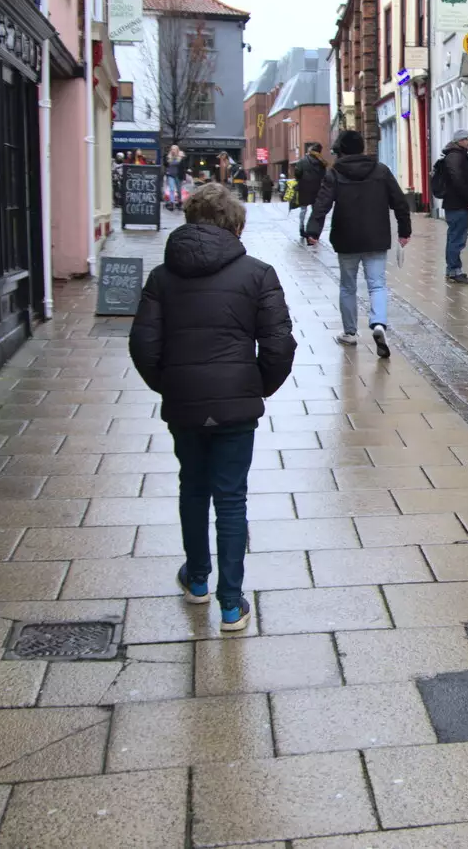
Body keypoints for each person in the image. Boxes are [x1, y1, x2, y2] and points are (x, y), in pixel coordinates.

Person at [128, 183, 296, 632]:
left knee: (193, 488)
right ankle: (230, 602)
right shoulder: (258, 274)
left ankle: (197, 580)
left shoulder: (163, 277)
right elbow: (279, 345)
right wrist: (255, 387)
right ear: (236, 224)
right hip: (236, 408)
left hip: (184, 403)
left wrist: (171, 385)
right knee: (231, 497)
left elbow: (143, 345)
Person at [305, 130, 411, 358]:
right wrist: (405, 230)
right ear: (362, 147)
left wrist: (313, 231)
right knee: (377, 284)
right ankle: (379, 323)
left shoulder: (335, 172)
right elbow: (400, 202)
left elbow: (322, 203)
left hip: (346, 238)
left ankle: (350, 333)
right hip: (376, 237)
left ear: (342, 149)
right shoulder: (381, 170)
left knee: (348, 286)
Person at [434, 129, 468, 284]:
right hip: (457, 204)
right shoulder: (454, 157)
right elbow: (458, 180)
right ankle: (454, 271)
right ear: (458, 141)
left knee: (455, 237)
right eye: (466, 139)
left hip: (457, 203)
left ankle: (452, 269)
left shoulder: (459, 155)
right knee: (457, 239)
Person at [294, 143, 328, 244]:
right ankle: (313, 231)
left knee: (303, 209)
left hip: (304, 188)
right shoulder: (322, 162)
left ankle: (301, 228)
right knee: (315, 210)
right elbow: (324, 176)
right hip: (317, 189)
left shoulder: (303, 161)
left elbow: (297, 173)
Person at [163, 146, 185, 211]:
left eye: (174, 149)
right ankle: (171, 203)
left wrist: (184, 177)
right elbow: (165, 164)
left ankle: (179, 202)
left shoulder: (181, 157)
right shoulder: (169, 157)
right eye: (172, 149)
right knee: (171, 189)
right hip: (170, 175)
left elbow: (183, 168)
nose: (173, 150)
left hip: (178, 176)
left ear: (177, 150)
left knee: (178, 190)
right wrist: (166, 157)